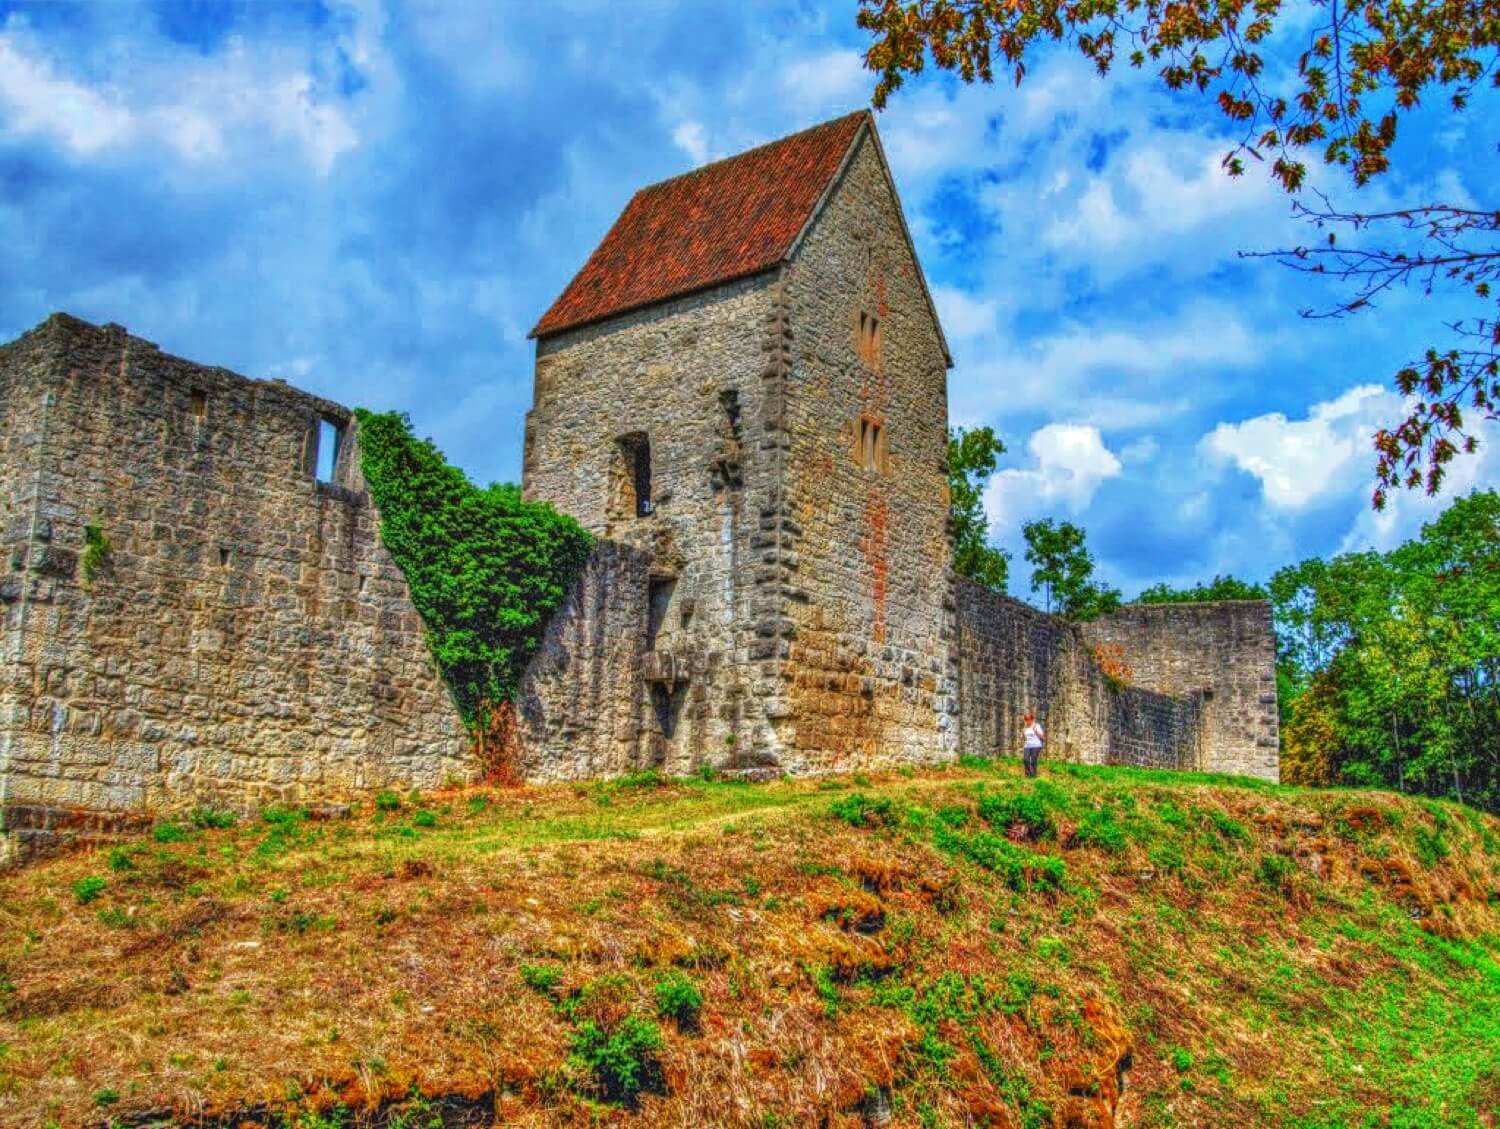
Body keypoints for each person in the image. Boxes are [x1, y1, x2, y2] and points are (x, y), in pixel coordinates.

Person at [1022, 709, 1045, 778]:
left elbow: (1042, 736)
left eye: (1028, 719)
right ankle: (1028, 774)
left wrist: (1036, 731)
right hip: (1027, 745)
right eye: (1026, 719)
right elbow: (1025, 738)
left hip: (1036, 745)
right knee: (1026, 760)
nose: (1027, 721)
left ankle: (1033, 775)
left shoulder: (1036, 726)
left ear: (1032, 719)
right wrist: (1023, 733)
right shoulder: (1025, 727)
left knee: (1033, 760)